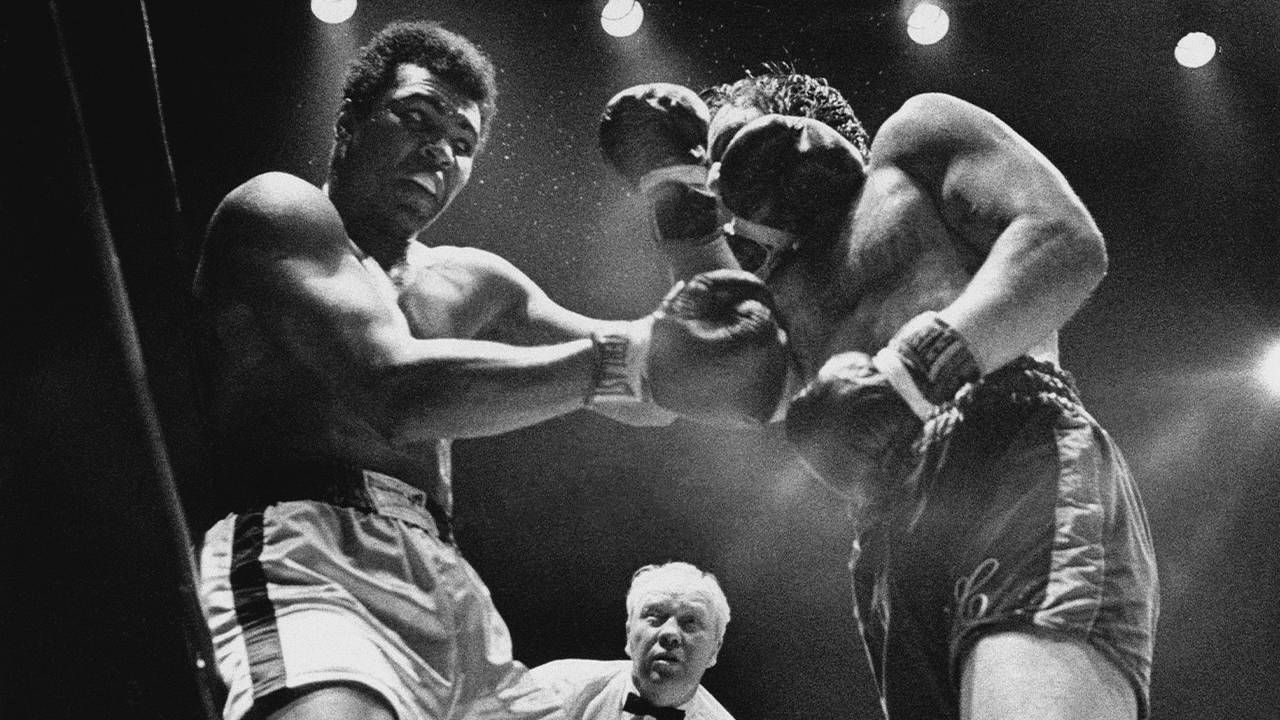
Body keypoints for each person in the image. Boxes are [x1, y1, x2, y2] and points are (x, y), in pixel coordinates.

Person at [191, 21, 788, 720]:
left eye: (462, 144)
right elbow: (394, 389)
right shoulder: (277, 213)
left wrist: (685, 214)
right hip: (312, 556)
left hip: (448, 583)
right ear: (351, 119)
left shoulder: (473, 282)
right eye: (417, 117)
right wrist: (625, 359)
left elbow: (663, 389)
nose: (438, 151)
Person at [597, 71, 1158, 719]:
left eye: (729, 157)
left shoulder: (915, 142)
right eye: (712, 179)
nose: (728, 190)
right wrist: (674, 197)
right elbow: (678, 381)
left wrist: (913, 373)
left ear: (793, 129)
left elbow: (1065, 241)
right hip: (887, 531)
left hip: (1007, 454)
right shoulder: (771, 286)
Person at [528, 562, 735, 720]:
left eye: (690, 622)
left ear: (715, 650)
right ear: (629, 634)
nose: (670, 633)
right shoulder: (553, 690)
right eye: (655, 615)